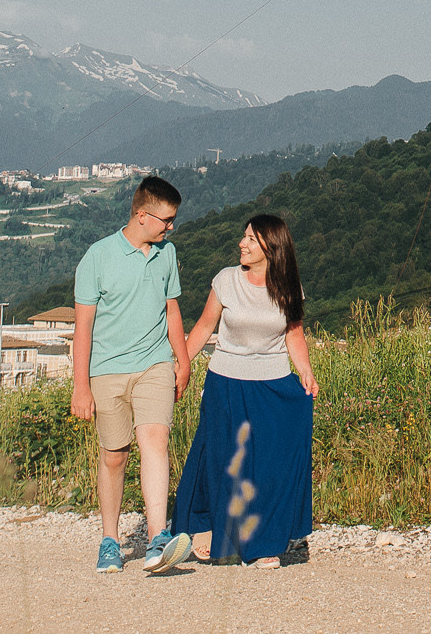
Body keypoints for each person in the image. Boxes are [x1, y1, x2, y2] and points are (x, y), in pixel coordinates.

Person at [166, 213, 319, 567]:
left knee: (268, 465)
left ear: (271, 246)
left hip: (273, 385)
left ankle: (265, 545)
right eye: (244, 237)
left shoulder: (289, 287)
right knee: (222, 461)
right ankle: (213, 534)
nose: (242, 243)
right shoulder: (226, 281)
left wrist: (306, 372)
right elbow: (204, 328)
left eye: (251, 239)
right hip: (226, 382)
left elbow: (293, 334)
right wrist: (181, 367)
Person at [70, 174, 195, 574]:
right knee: (114, 456)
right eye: (166, 220)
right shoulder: (97, 257)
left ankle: (158, 537)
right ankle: (110, 540)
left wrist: (183, 359)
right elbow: (83, 328)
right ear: (143, 216)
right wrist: (80, 387)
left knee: (155, 439)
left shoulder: (167, 254)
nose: (170, 227)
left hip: (154, 364)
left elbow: (172, 310)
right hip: (106, 371)